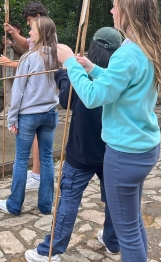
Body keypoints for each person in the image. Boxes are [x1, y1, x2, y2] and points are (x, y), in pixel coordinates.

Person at [56, 0, 161, 262]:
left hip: (125, 154)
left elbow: (94, 96)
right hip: (144, 148)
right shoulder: (147, 48)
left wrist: (70, 63)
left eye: (115, 6)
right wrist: (92, 68)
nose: (111, 10)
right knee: (133, 224)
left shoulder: (126, 52)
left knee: (128, 233)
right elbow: (122, 82)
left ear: (127, 12)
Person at [25, 27, 123, 262]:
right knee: (113, 198)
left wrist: (63, 73)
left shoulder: (86, 74)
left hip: (82, 150)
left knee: (68, 198)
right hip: (112, 149)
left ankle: (50, 251)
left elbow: (66, 99)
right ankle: (112, 241)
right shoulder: (119, 75)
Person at [0, 16, 60, 216]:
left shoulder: (29, 58)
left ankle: (14, 205)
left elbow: (18, 91)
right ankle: (45, 205)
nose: (30, 33)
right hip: (50, 114)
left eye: (33, 30)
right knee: (47, 158)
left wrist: (12, 118)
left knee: (21, 160)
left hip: (29, 115)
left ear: (42, 34)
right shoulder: (58, 57)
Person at [0, 1, 49, 190]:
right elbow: (28, 45)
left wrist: (10, 63)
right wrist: (13, 33)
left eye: (29, 21)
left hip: (37, 95)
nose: (28, 27)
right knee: (38, 137)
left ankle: (36, 175)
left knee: (35, 137)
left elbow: (32, 62)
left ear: (37, 16)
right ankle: (38, 174)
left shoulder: (46, 33)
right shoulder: (40, 34)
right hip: (39, 97)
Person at [0, 24, 27, 117]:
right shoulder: (8, 39)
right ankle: (7, 108)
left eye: (15, 29)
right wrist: (3, 45)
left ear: (19, 30)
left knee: (18, 89)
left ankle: (19, 109)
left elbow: (23, 51)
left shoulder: (23, 40)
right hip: (6, 69)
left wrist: (11, 44)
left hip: (17, 69)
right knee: (7, 90)